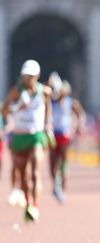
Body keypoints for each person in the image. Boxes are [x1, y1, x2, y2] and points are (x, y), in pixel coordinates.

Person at [1, 59, 52, 222]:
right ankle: (28, 202)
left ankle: (35, 207)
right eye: (25, 76)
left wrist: (47, 124)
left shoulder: (44, 91)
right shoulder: (17, 91)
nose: (28, 79)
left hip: (36, 134)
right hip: (19, 136)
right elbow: (5, 109)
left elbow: (48, 107)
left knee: (36, 172)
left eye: (31, 76)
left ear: (37, 75)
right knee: (23, 175)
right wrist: (17, 108)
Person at [48, 72, 86, 203]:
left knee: (63, 160)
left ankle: (62, 188)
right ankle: (56, 184)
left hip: (64, 134)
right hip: (53, 134)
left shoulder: (71, 103)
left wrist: (79, 126)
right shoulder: (51, 101)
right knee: (52, 162)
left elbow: (81, 114)